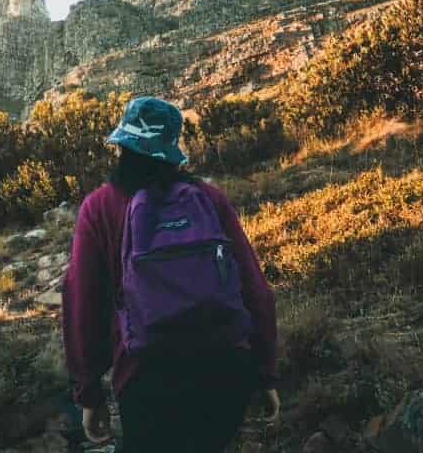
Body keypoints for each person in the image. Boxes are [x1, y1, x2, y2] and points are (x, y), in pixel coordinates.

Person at [62, 97, 280, 452]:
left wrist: (88, 394)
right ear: (171, 146)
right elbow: (254, 288)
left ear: (122, 146)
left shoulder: (99, 207)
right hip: (226, 366)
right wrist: (266, 372)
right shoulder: (207, 198)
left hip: (146, 377)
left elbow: (81, 303)